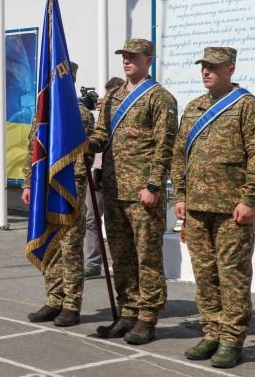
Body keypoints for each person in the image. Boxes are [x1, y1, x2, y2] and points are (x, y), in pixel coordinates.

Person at [172, 47, 255, 368]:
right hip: (197, 208)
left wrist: (248, 197)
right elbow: (179, 155)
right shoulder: (194, 107)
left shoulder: (246, 106)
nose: (206, 72)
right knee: (204, 274)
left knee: (232, 275)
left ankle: (232, 338)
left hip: (232, 209)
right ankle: (212, 331)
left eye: (213, 67)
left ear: (230, 69)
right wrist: (181, 195)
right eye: (204, 66)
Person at [88, 39, 178, 345]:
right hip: (113, 189)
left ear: (147, 59)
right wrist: (83, 142)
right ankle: (128, 311)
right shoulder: (113, 97)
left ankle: (147, 317)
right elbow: (102, 136)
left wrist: (153, 185)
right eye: (124, 57)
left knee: (147, 257)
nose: (126, 61)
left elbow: (165, 146)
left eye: (132, 57)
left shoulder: (159, 97)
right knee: (122, 255)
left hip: (142, 191)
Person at [21, 62, 94, 328]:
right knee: (51, 246)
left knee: (70, 249)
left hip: (68, 192)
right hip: (44, 190)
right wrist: (29, 184)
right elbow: (33, 151)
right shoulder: (42, 113)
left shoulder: (80, 114)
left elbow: (82, 155)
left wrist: (70, 185)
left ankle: (71, 305)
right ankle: (54, 299)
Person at [83, 76, 125, 278]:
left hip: (119, 176)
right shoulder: (100, 117)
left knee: (118, 223)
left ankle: (123, 264)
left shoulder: (124, 117)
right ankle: (93, 263)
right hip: (96, 173)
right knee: (91, 219)